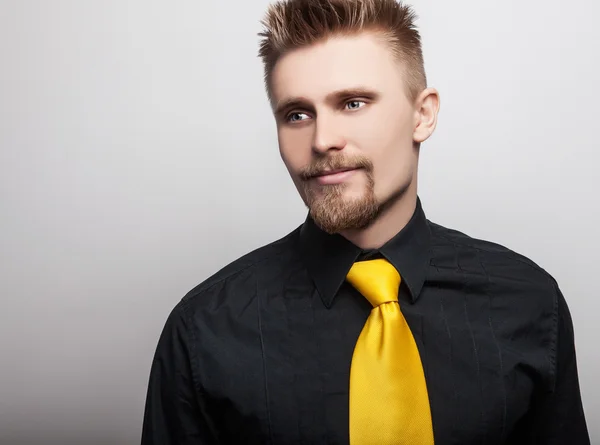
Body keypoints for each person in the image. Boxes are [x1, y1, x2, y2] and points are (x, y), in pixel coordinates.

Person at [140, 0, 590, 443]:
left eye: (353, 103)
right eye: (297, 114)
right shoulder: (203, 331)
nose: (322, 140)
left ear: (423, 114)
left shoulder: (530, 304)